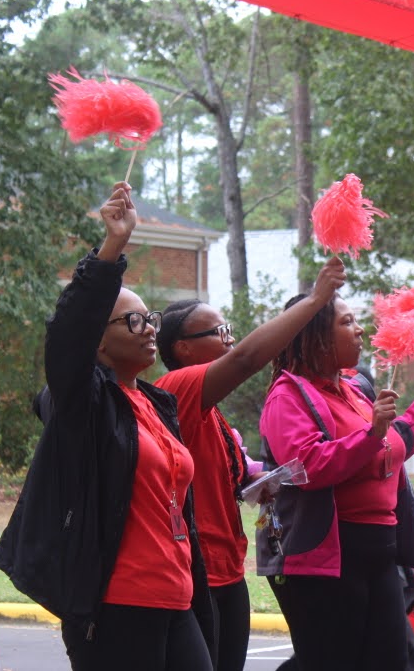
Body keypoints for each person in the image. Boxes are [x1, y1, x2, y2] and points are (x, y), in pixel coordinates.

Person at [0, 182, 214, 671]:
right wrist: (112, 249)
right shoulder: (85, 405)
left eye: (149, 318)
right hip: (117, 605)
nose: (150, 328)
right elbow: (68, 333)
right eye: (132, 322)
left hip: (177, 599)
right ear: (98, 343)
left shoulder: (157, 404)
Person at [152, 258, 346, 671]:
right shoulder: (175, 389)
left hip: (228, 570)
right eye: (220, 332)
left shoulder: (212, 412)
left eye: (230, 332)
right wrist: (315, 301)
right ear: (183, 348)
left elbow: (234, 474)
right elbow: (245, 360)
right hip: (196, 573)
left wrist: (264, 478)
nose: (230, 339)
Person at [258, 293, 414, 671]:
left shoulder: (354, 390)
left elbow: (390, 447)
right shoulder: (287, 395)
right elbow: (307, 466)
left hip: (380, 553)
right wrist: (372, 432)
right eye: (346, 322)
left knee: (388, 662)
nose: (360, 330)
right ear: (314, 336)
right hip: (329, 559)